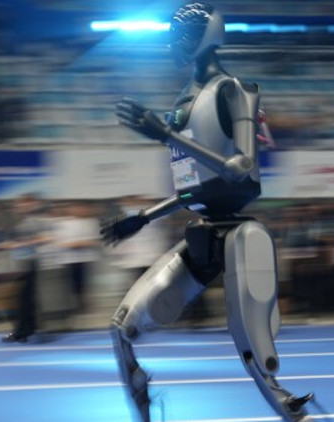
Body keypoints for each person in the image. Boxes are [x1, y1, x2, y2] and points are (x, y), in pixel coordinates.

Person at [101, 3, 313, 421]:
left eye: (181, 34)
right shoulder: (185, 100)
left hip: (239, 237)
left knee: (253, 350)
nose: (173, 45)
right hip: (202, 234)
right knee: (121, 327)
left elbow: (241, 167)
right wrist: (142, 218)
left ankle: (292, 412)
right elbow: (193, 187)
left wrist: (166, 134)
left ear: (207, 34)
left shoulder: (234, 90)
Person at [0, 194, 50, 343]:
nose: (20, 207)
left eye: (25, 204)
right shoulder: (20, 222)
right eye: (19, 205)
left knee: (25, 299)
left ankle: (23, 331)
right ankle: (26, 329)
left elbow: (45, 238)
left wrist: (18, 245)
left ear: (34, 205)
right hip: (20, 263)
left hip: (31, 263)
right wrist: (6, 246)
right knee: (23, 299)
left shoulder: (37, 221)